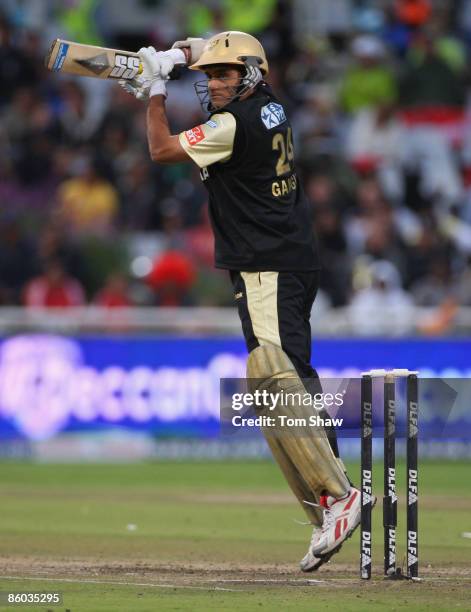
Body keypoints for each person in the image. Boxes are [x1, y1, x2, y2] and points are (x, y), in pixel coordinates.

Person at [119, 31, 365, 572]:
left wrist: (155, 89)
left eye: (221, 76)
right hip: (293, 259)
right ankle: (332, 501)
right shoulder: (273, 105)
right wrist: (183, 54)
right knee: (287, 378)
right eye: (207, 76)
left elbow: (161, 150)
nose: (212, 85)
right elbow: (228, 48)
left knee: (277, 375)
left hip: (266, 266)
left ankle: (338, 495)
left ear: (248, 75)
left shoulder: (234, 125)